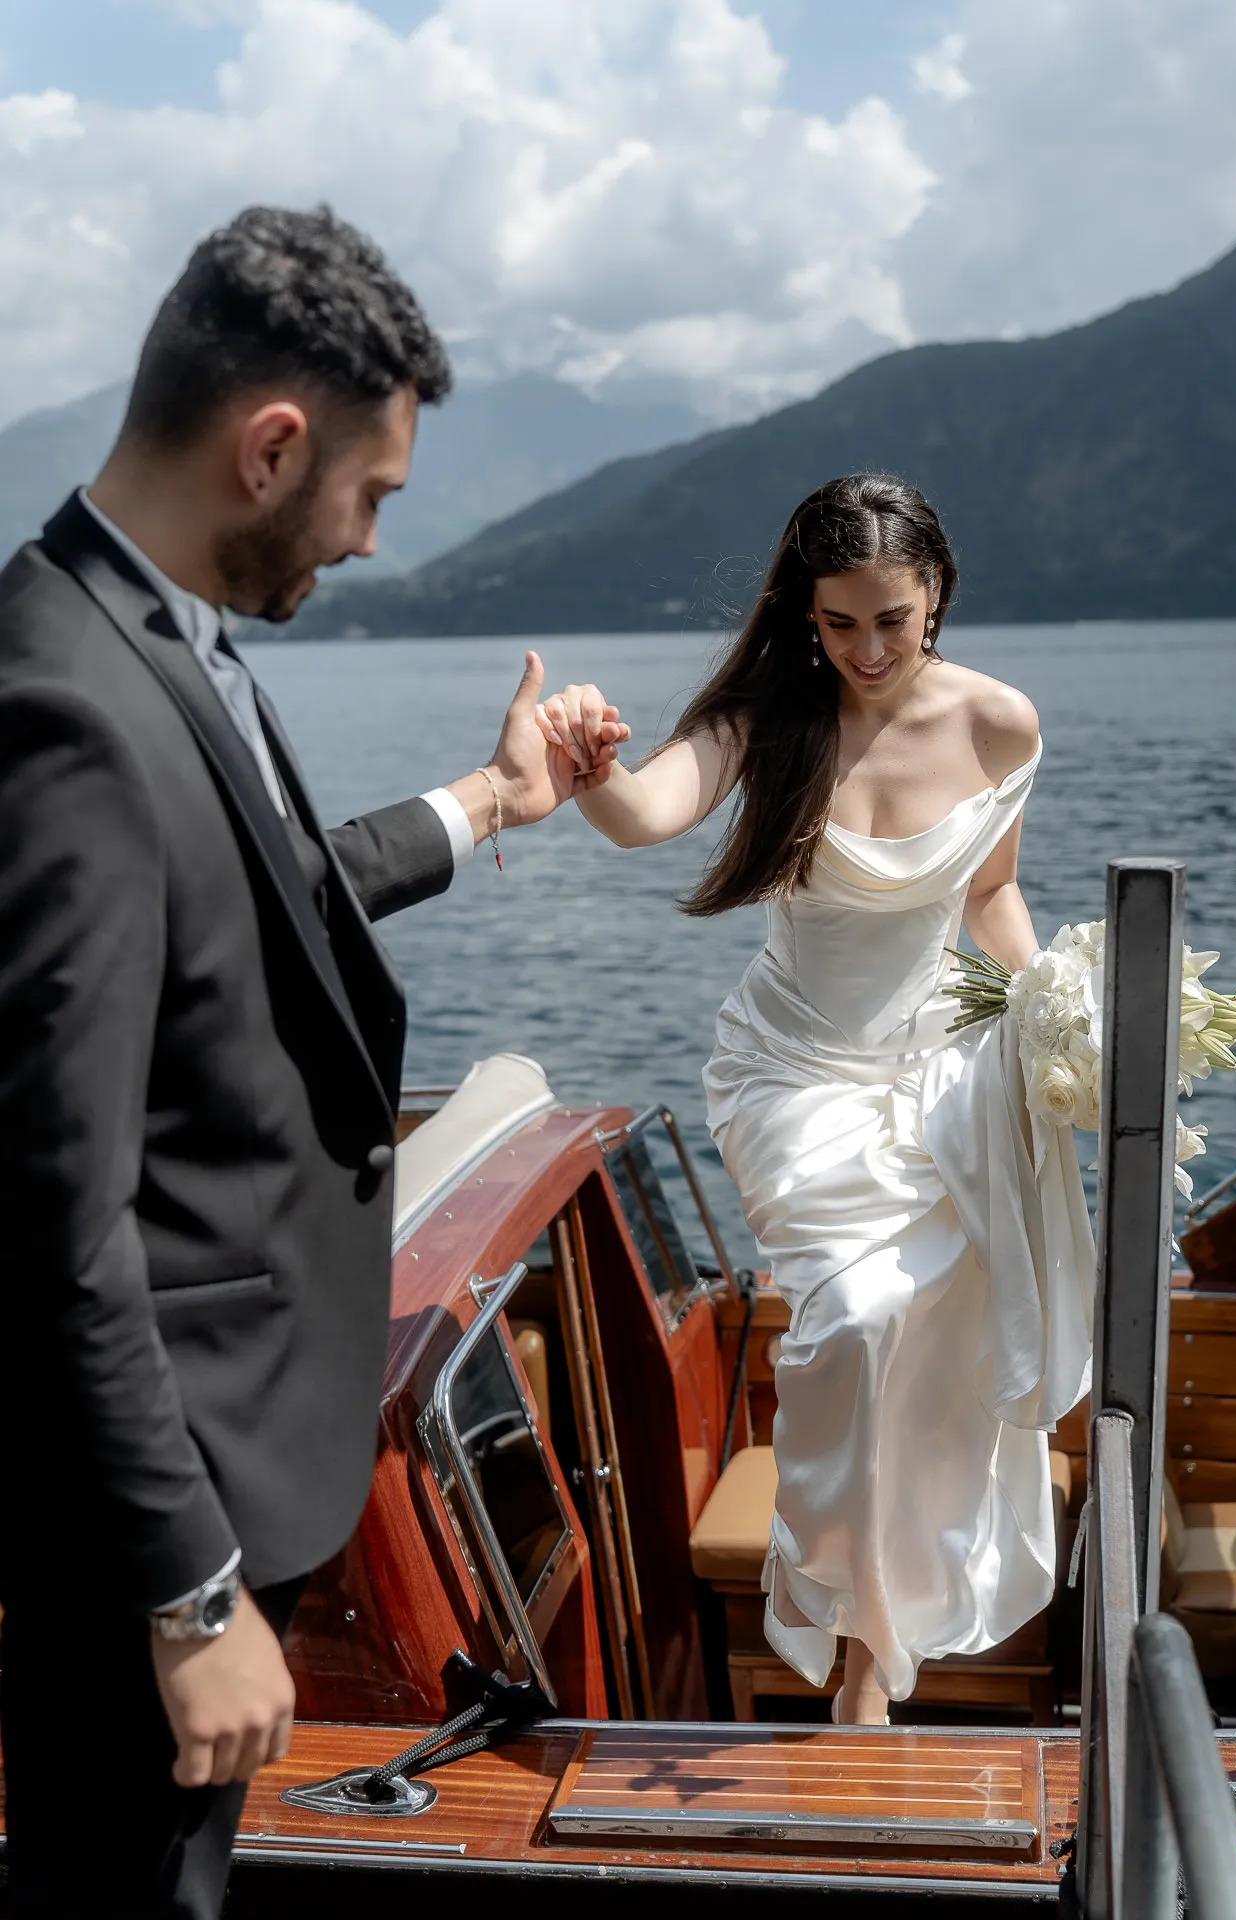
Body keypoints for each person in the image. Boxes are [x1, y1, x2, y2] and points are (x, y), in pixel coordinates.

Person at [0, 204, 625, 1918]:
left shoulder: (155, 637)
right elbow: (54, 1216)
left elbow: (258, 905)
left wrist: (491, 803)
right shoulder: (64, 704)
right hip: (157, 1526)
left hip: (217, 1496)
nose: (365, 542)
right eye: (373, 493)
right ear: (272, 446)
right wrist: (189, 1597)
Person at [537, 473, 1094, 1726]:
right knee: (849, 1324)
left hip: (936, 1072)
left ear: (934, 594)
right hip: (789, 1072)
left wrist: (1062, 1016)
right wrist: (586, 764)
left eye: (890, 619)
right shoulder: (772, 716)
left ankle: (865, 1662)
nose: (867, 650)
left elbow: (990, 895)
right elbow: (644, 815)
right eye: (839, 623)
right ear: (806, 613)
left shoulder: (1000, 725)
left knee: (931, 1335)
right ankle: (845, 1616)